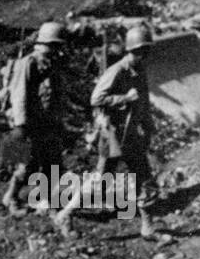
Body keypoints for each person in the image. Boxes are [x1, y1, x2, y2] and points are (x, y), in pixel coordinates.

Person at [56, 23, 161, 239]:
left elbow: (144, 102)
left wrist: (149, 125)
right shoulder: (117, 71)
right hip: (113, 135)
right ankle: (66, 214)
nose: (147, 54)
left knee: (145, 178)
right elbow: (96, 98)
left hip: (130, 134)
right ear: (135, 50)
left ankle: (148, 228)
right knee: (100, 180)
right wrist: (124, 98)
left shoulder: (139, 71)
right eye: (144, 49)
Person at [0, 21, 70, 221]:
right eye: (56, 46)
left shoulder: (52, 64)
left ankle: (49, 201)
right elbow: (19, 95)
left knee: (53, 162)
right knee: (26, 165)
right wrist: (21, 126)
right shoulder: (28, 63)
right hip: (30, 124)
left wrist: (60, 121)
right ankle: (11, 197)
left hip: (48, 123)